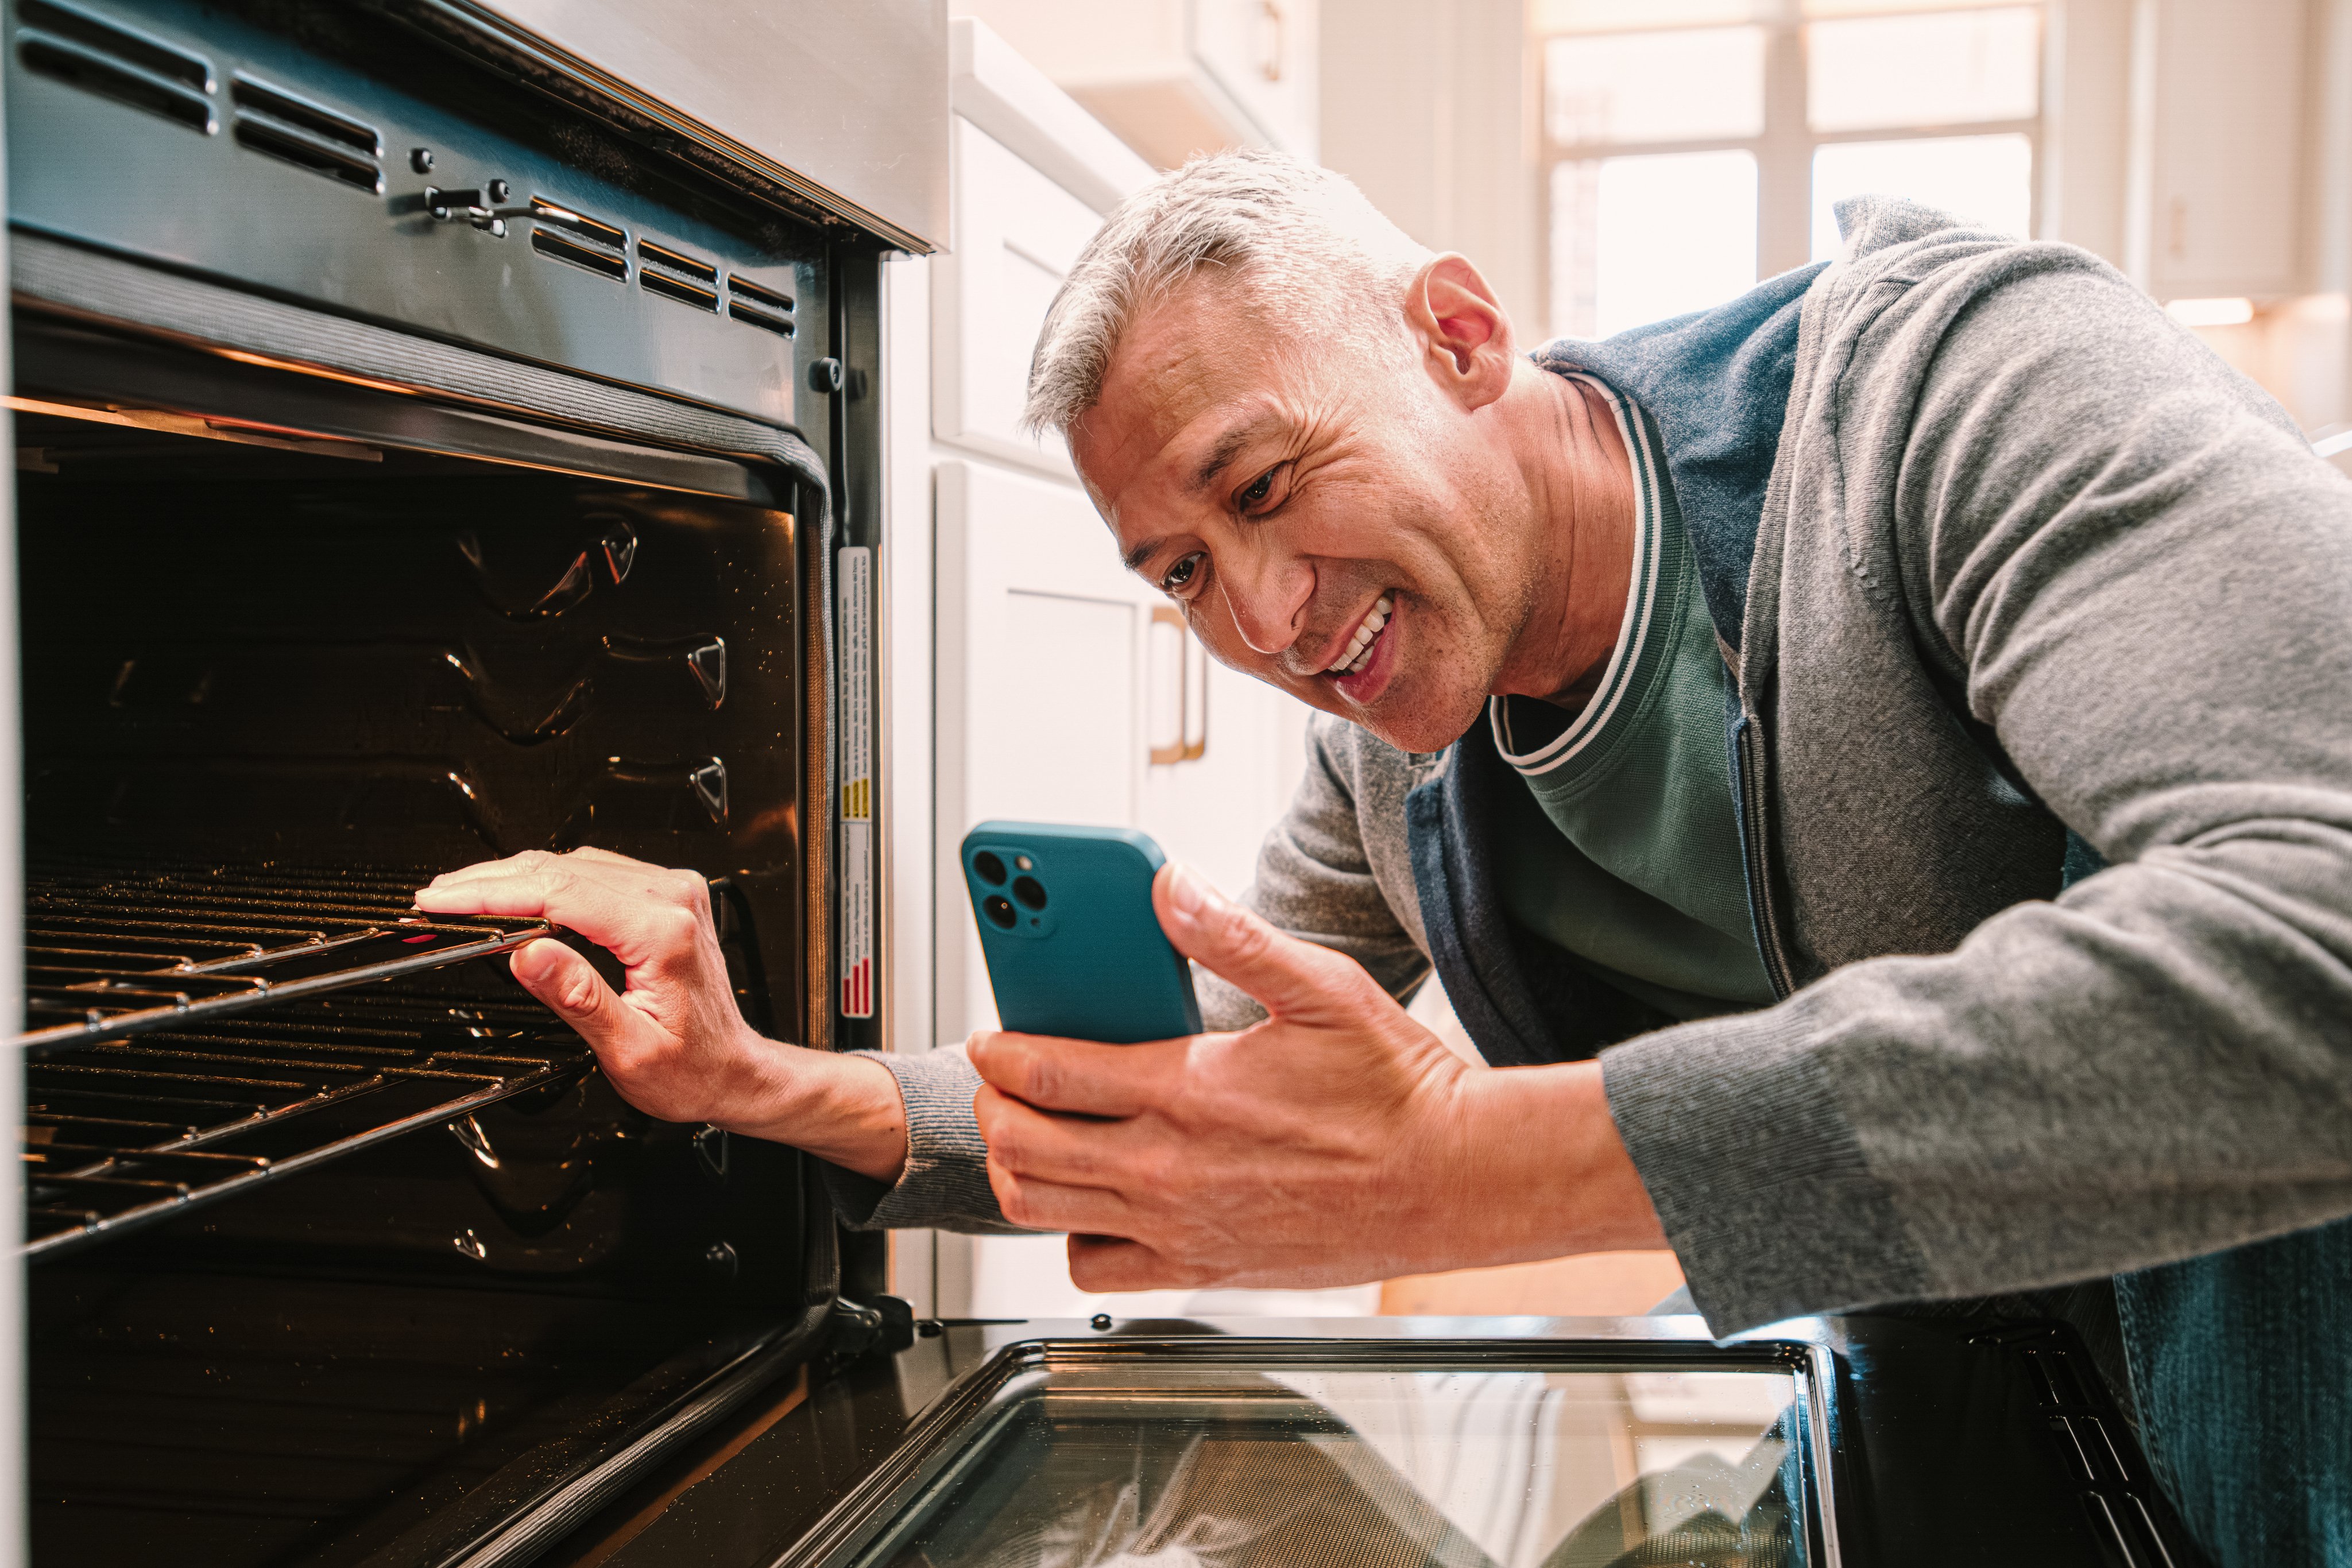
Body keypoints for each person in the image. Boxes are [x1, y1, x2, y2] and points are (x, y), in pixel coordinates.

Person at [419, 152, 2352, 1563]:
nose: (1258, 612)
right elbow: (1198, 1104)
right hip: (1956, 1421)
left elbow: (2317, 944)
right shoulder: (1391, 756)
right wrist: (764, 1081)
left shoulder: (1963, 390)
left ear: (1455, 333)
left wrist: (1464, 1175)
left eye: (1266, 488)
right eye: (1179, 569)